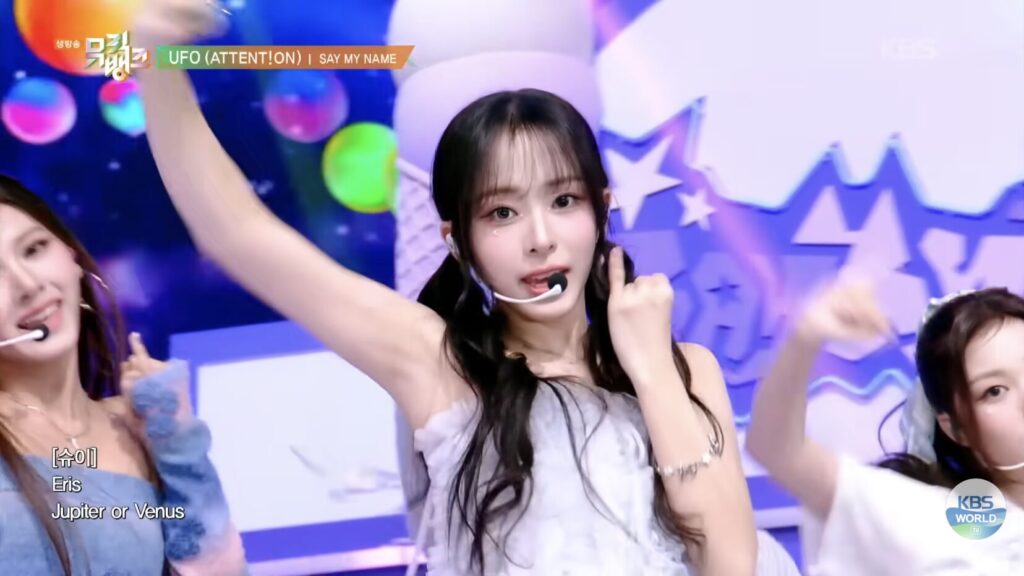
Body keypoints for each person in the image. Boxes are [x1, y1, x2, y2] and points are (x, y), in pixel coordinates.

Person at [132, 1, 803, 573]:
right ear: (458, 239)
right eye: (502, 213)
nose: (540, 237)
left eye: (563, 201)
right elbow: (236, 234)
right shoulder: (440, 364)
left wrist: (653, 372)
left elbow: (730, 563)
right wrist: (154, 63)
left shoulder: (686, 370)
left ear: (602, 208)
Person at [0, 175, 248, 575]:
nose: (28, 285)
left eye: (33, 249)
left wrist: (177, 442)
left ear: (70, 256)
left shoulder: (141, 425)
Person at [747, 282, 1024, 574]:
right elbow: (777, 449)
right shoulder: (926, 522)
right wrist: (805, 337)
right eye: (994, 391)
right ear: (956, 428)